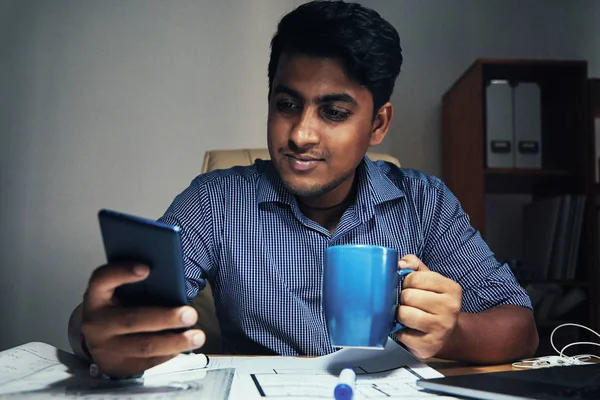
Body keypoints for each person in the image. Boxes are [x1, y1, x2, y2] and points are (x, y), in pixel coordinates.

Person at [67, 0, 538, 379]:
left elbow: (521, 327)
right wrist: (95, 334)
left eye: (333, 112)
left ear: (378, 124)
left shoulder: (424, 202)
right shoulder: (216, 200)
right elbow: (116, 316)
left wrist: (450, 334)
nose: (300, 135)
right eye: (287, 104)